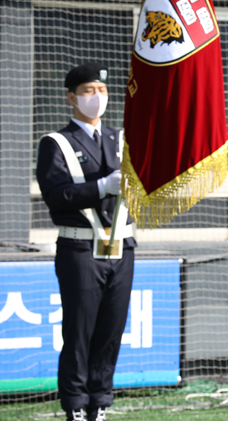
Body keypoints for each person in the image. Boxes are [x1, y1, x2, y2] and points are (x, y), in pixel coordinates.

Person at [36, 63, 137, 421]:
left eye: (103, 90)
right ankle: (76, 405)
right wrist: (101, 187)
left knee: (111, 331)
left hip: (122, 247)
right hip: (80, 248)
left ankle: (100, 403)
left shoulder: (122, 139)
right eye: (89, 91)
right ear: (71, 97)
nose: (97, 97)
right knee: (79, 332)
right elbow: (56, 195)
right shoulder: (56, 142)